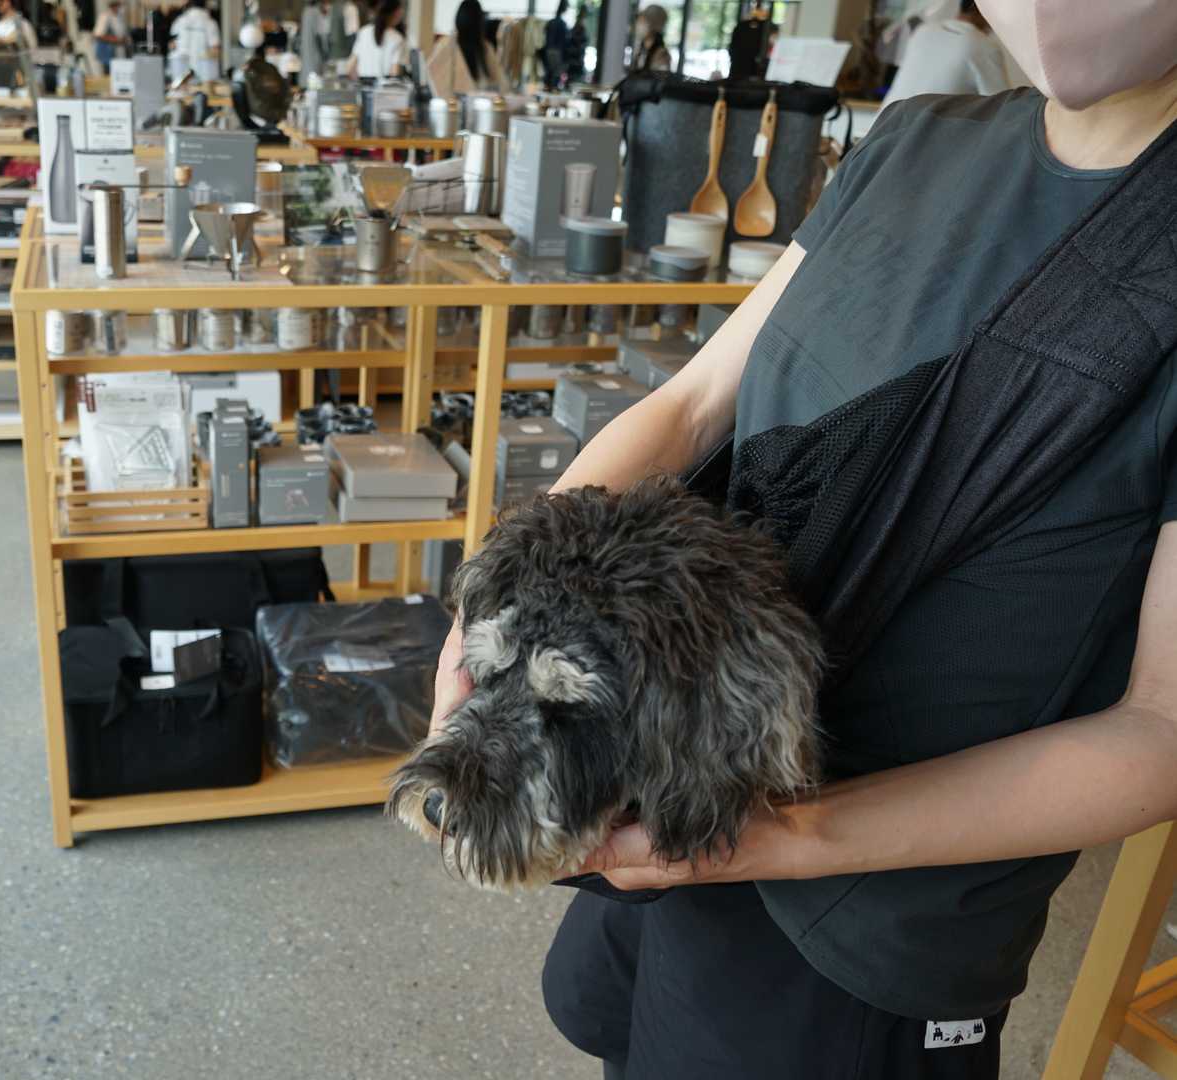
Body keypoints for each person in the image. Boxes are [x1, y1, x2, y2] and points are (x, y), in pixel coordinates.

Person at [426, 1, 1177, 1076]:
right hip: (682, 767)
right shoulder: (918, 142)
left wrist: (786, 837)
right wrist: (490, 611)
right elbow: (692, 406)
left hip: (867, 912)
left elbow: (1161, 732)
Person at [882, 0, 1011, 106]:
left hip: (881, 124)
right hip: (924, 128)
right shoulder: (983, 45)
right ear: (987, 12)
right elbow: (1004, 106)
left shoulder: (923, 31)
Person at [425, 0, 501, 100]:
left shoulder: (446, 44)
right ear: (480, 22)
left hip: (451, 105)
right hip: (481, 104)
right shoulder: (485, 48)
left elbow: (429, 74)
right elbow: (500, 84)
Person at [346, 0, 403, 78]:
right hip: (385, 85)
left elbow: (349, 67)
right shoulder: (397, 38)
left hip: (362, 84)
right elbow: (394, 73)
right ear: (396, 13)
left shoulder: (364, 31)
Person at [169, 0, 219, 81]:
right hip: (202, 73)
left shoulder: (179, 21)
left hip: (181, 71)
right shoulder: (210, 23)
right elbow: (214, 49)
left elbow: (172, 45)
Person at [628, 3, 669, 73]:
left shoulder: (661, 55)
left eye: (642, 21)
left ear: (652, 25)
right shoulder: (642, 51)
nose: (637, 26)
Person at [541, 0, 570, 88]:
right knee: (555, 75)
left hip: (548, 50)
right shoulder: (562, 24)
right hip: (557, 52)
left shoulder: (551, 22)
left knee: (549, 74)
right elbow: (565, 42)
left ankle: (549, 88)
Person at [94, 0, 128, 67]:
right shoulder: (105, 16)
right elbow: (98, 35)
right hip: (109, 55)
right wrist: (117, 40)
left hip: (120, 54)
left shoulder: (119, 16)